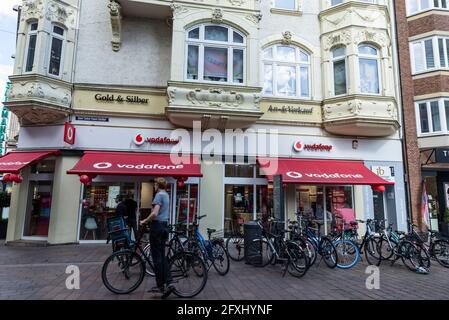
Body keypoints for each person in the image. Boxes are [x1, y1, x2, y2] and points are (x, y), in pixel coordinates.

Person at [140, 177, 173, 298]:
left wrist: (144, 220)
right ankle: (165, 283)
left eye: (155, 184)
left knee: (157, 258)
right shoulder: (166, 195)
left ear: (158, 185)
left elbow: (155, 213)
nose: (154, 186)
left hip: (157, 227)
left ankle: (164, 284)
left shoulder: (159, 195)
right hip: (164, 226)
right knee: (161, 256)